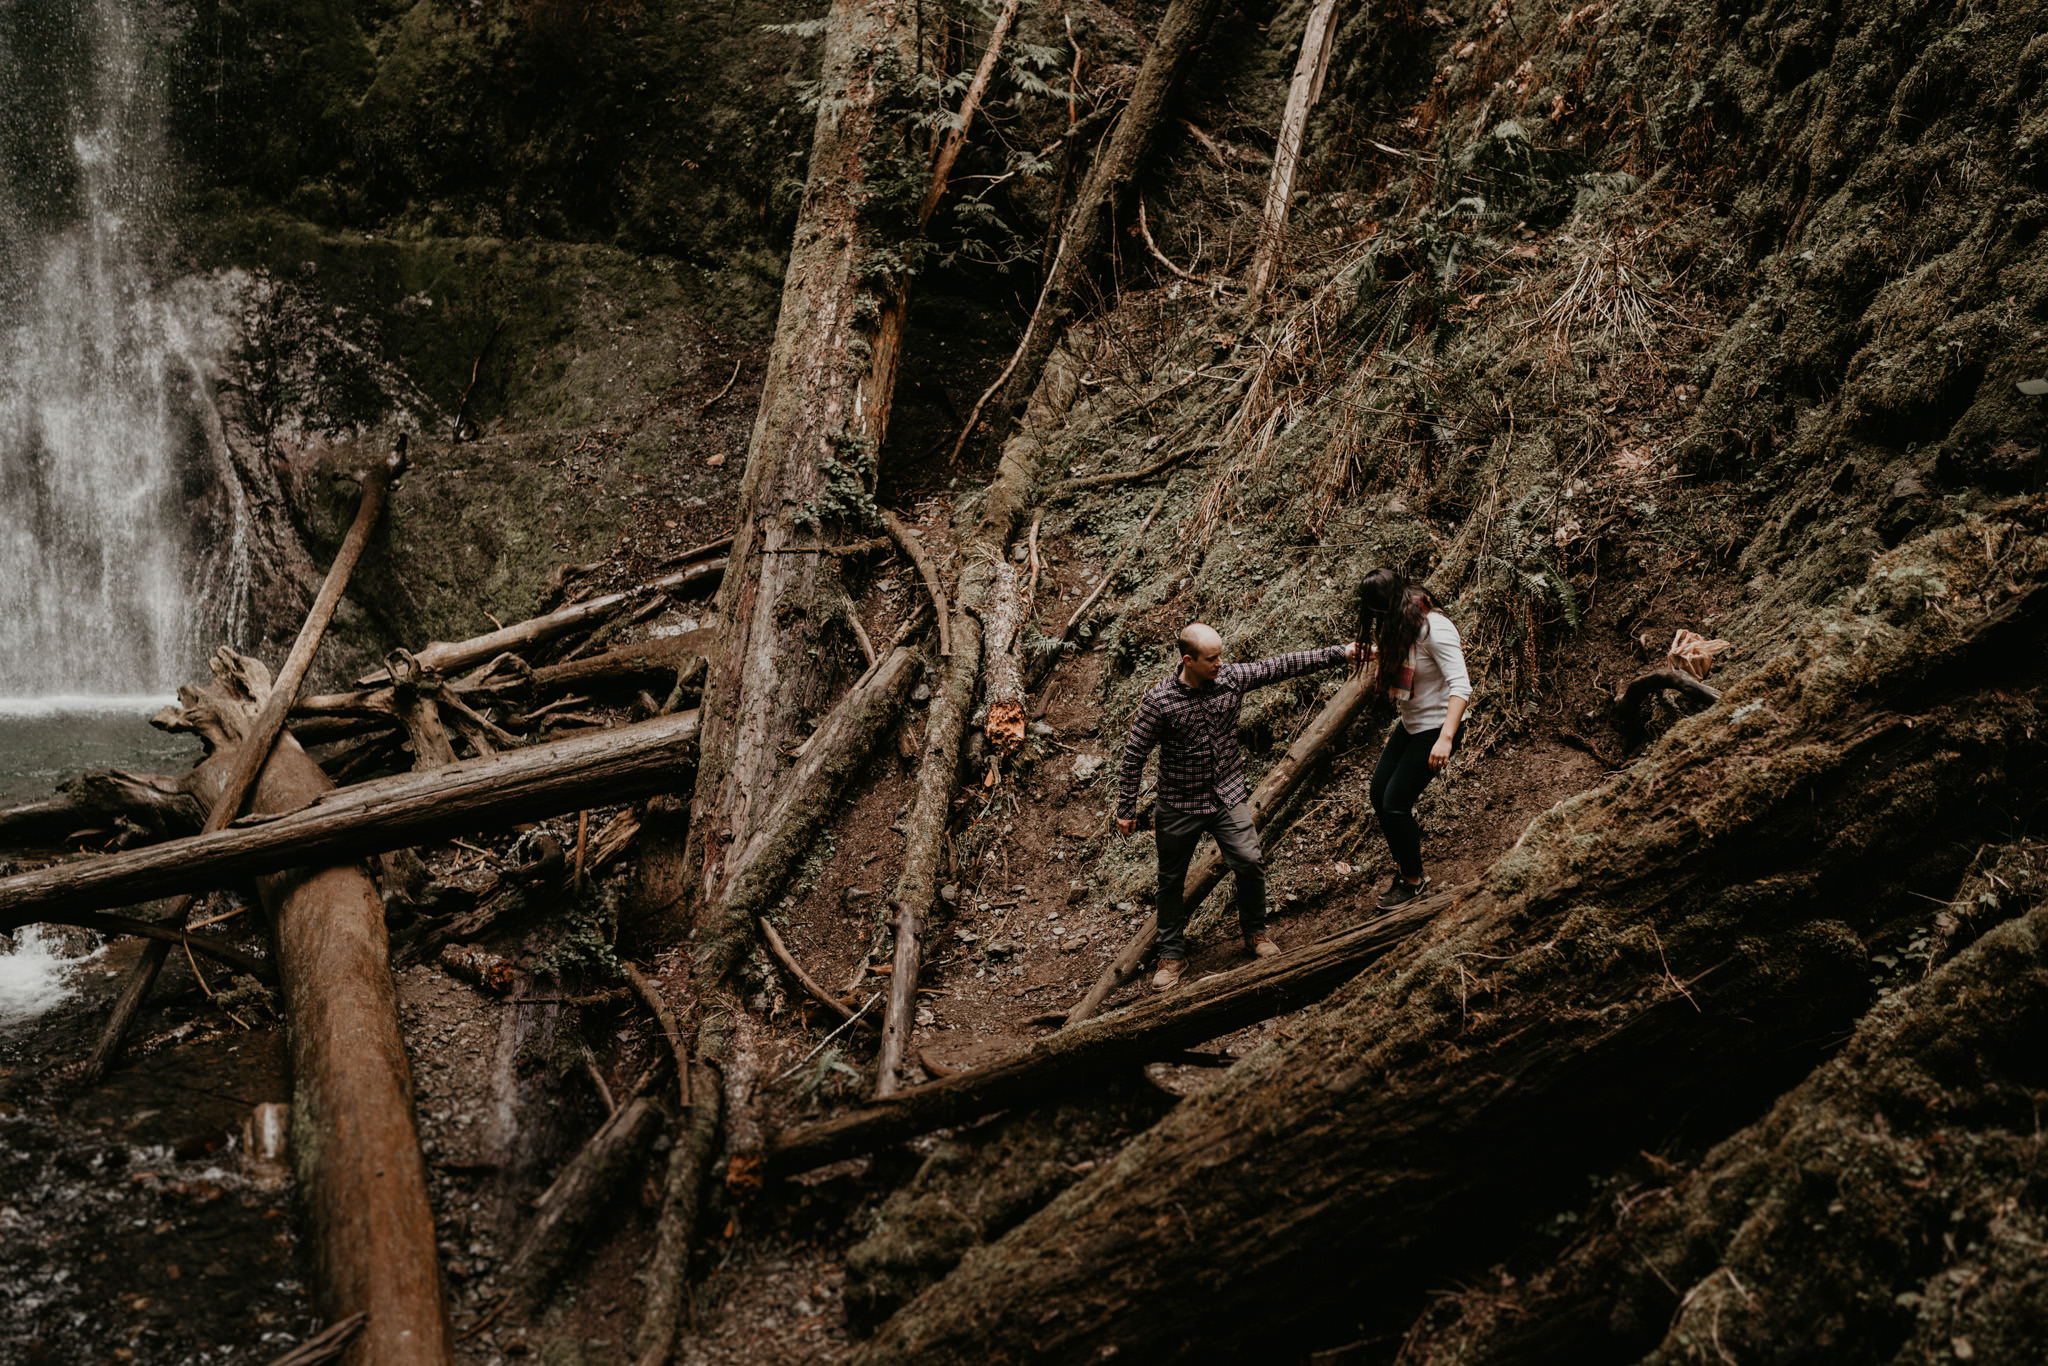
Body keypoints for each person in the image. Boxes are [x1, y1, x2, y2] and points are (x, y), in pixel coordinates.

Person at [1117, 623, 1358, 990]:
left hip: (1226, 796)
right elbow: (1134, 753)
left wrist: (1341, 652)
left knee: (1248, 860)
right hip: (1179, 804)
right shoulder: (1160, 701)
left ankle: (1255, 933)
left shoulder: (1231, 678)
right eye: (1212, 658)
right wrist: (1126, 808)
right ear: (1188, 660)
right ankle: (1171, 954)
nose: (1220, 663)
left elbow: (1282, 665)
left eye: (1221, 656)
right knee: (1170, 881)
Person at [1355, 567, 1472, 908]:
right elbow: (1405, 657)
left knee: (1394, 804)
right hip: (1411, 724)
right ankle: (1408, 869)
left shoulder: (1435, 629)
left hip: (1437, 727)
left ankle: (1412, 880)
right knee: (1379, 794)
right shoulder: (1402, 623)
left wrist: (1446, 739)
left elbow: (1461, 685)